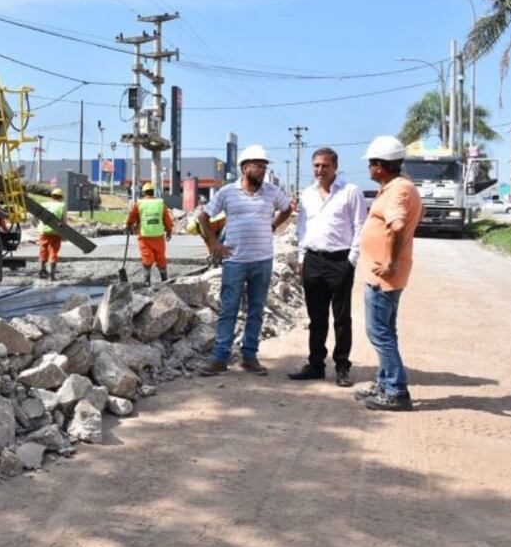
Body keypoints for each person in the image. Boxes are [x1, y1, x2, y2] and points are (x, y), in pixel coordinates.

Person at [196, 144, 293, 376]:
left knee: (256, 310)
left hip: (262, 260)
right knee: (228, 309)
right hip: (235, 261)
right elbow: (203, 216)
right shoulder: (227, 192)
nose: (262, 171)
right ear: (244, 168)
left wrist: (273, 225)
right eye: (258, 166)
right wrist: (215, 244)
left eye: (264, 166)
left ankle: (250, 356)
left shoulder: (271, 192)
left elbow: (288, 208)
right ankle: (220, 358)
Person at [288, 147, 367, 387]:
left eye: (325, 165)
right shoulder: (307, 194)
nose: (320, 170)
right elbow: (302, 227)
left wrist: (351, 260)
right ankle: (315, 365)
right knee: (316, 317)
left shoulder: (350, 191)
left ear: (335, 167)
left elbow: (360, 226)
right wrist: (302, 258)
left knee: (341, 317)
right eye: (316, 166)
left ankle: (342, 366)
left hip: (339, 261)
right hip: (313, 261)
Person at [356, 135, 423, 411]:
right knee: (386, 331)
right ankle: (384, 383)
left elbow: (396, 227)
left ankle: (396, 389)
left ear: (379, 166)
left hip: (384, 276)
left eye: (371, 164)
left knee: (379, 333)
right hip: (384, 274)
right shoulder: (401, 187)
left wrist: (391, 262)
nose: (369, 170)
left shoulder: (397, 191)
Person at [125, 181, 173, 286]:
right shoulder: (160, 203)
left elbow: (132, 217)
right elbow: (167, 219)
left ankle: (147, 282)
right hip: (158, 236)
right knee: (160, 257)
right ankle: (165, 280)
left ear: (143, 193)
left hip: (144, 236)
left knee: (146, 256)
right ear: (153, 192)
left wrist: (128, 225)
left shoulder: (140, 203)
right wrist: (169, 231)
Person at [38, 188, 66, 281]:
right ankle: (52, 275)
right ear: (61, 197)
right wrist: (63, 233)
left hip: (43, 231)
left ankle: (42, 270)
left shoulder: (45, 204)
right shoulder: (62, 206)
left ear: (52, 197)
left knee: (43, 249)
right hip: (55, 232)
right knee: (53, 251)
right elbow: (64, 222)